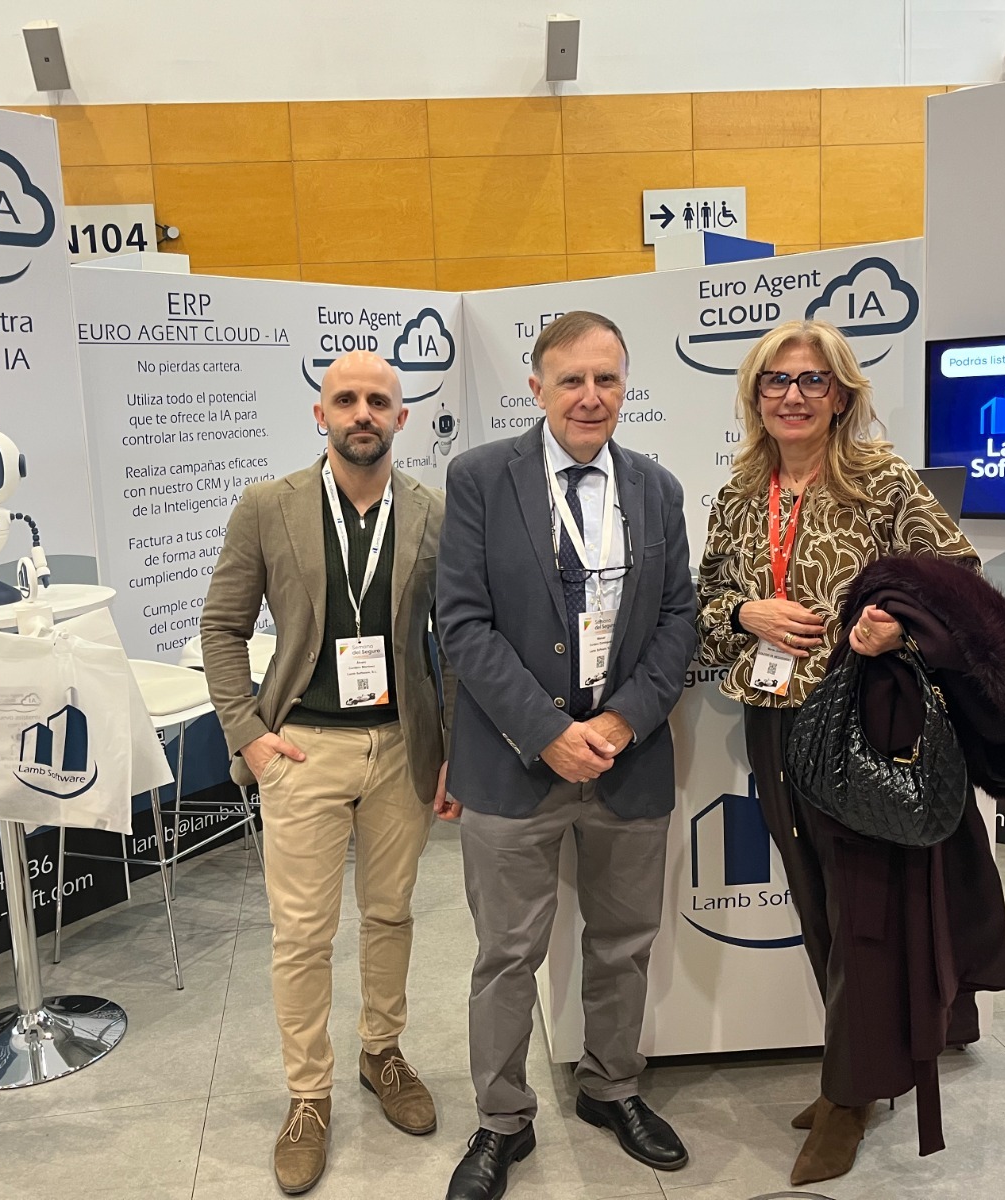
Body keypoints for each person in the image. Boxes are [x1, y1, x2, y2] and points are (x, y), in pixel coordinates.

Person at [695, 319, 1005, 1186]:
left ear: (841, 395)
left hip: (864, 718)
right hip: (774, 719)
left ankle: (850, 1094)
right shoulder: (740, 492)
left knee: (865, 909)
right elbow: (707, 600)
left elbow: (958, 580)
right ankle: (860, 1066)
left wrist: (895, 622)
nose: (793, 395)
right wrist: (748, 613)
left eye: (812, 380)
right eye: (776, 381)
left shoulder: (881, 480)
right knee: (817, 903)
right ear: (755, 396)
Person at [435, 311, 698, 1200]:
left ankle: (611, 1087)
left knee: (623, 944)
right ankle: (502, 1120)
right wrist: (546, 732)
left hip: (628, 760)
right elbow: (462, 623)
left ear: (625, 386)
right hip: (514, 764)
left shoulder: (656, 487)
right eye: (573, 379)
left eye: (607, 379)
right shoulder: (480, 478)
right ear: (537, 387)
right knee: (507, 955)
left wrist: (622, 723)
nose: (591, 396)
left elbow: (679, 619)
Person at [200, 350, 452, 1196]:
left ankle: (383, 1053)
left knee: (390, 913)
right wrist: (249, 735)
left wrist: (452, 749)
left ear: (402, 418)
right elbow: (222, 626)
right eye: (346, 399)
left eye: (379, 400)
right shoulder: (267, 506)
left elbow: (454, 641)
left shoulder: (431, 511)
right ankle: (308, 1095)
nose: (362, 413)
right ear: (321, 414)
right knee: (303, 935)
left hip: (401, 747)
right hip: (303, 748)